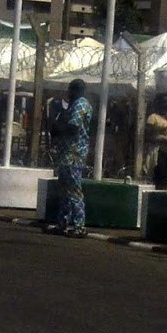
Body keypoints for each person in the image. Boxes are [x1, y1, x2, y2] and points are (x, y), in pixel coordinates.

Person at [50, 79, 93, 237]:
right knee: (65, 190)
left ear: (74, 90)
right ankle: (62, 223)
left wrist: (57, 127)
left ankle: (80, 226)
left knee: (74, 191)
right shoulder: (73, 105)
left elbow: (73, 127)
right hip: (67, 153)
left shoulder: (81, 104)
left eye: (70, 90)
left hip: (74, 154)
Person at [145, 93, 167, 190]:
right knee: (158, 177)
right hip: (158, 151)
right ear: (159, 103)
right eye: (164, 102)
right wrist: (162, 139)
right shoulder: (153, 117)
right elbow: (148, 136)